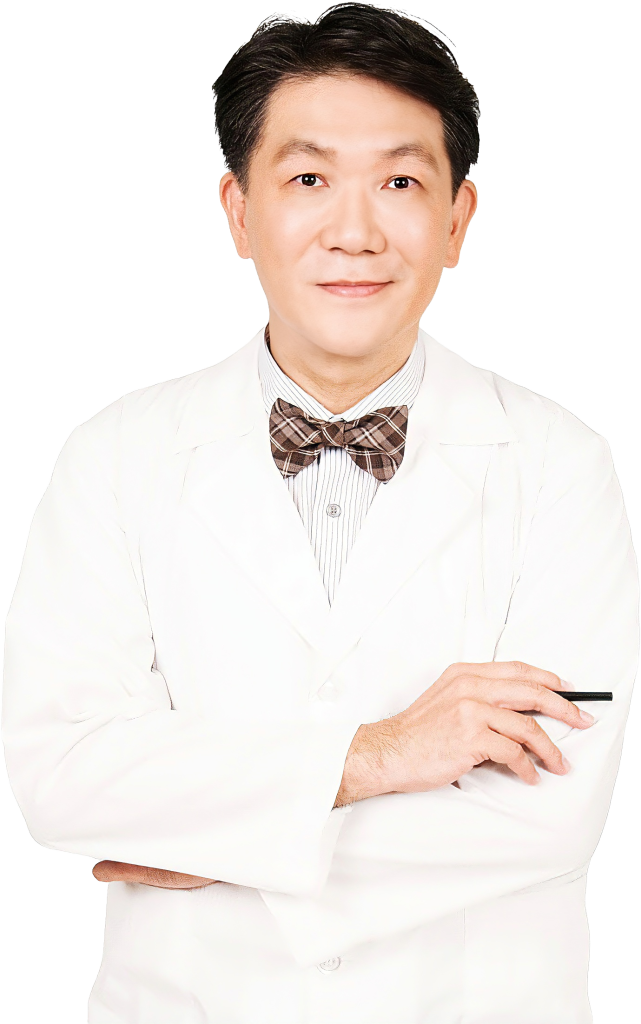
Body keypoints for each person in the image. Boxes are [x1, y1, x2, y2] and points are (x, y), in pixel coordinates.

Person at [2, 4, 638, 1022]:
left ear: (457, 220)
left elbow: (549, 814)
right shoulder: (114, 456)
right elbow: (64, 776)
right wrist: (378, 755)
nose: (354, 232)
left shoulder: (561, 462)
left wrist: (216, 839)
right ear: (237, 210)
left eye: (399, 182)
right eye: (307, 180)